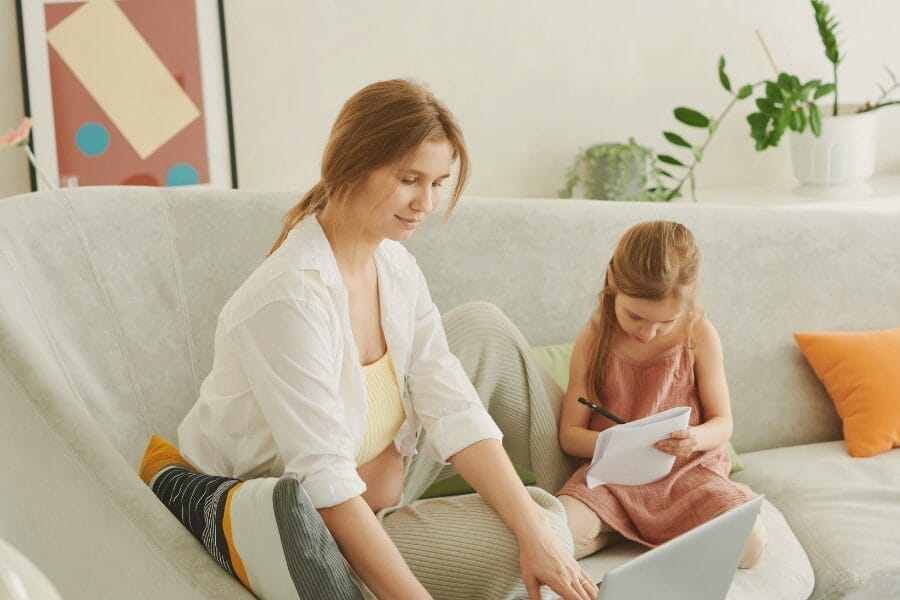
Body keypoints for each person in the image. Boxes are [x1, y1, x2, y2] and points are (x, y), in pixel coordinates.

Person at [176, 79, 596, 600]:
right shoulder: (289, 300)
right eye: (409, 179)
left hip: (380, 484)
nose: (426, 202)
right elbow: (325, 488)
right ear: (350, 164)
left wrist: (533, 533)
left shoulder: (392, 264)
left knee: (538, 522)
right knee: (547, 527)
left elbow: (453, 407)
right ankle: (586, 521)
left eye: (438, 182)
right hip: (327, 532)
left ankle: (602, 501)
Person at [556, 220, 768, 568]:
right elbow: (569, 436)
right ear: (612, 281)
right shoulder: (594, 337)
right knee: (553, 535)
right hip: (616, 477)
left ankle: (639, 530)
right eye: (635, 316)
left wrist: (694, 438)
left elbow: (723, 423)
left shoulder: (700, 334)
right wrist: (625, 442)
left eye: (665, 322)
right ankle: (629, 526)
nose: (648, 332)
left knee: (751, 545)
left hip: (688, 473)